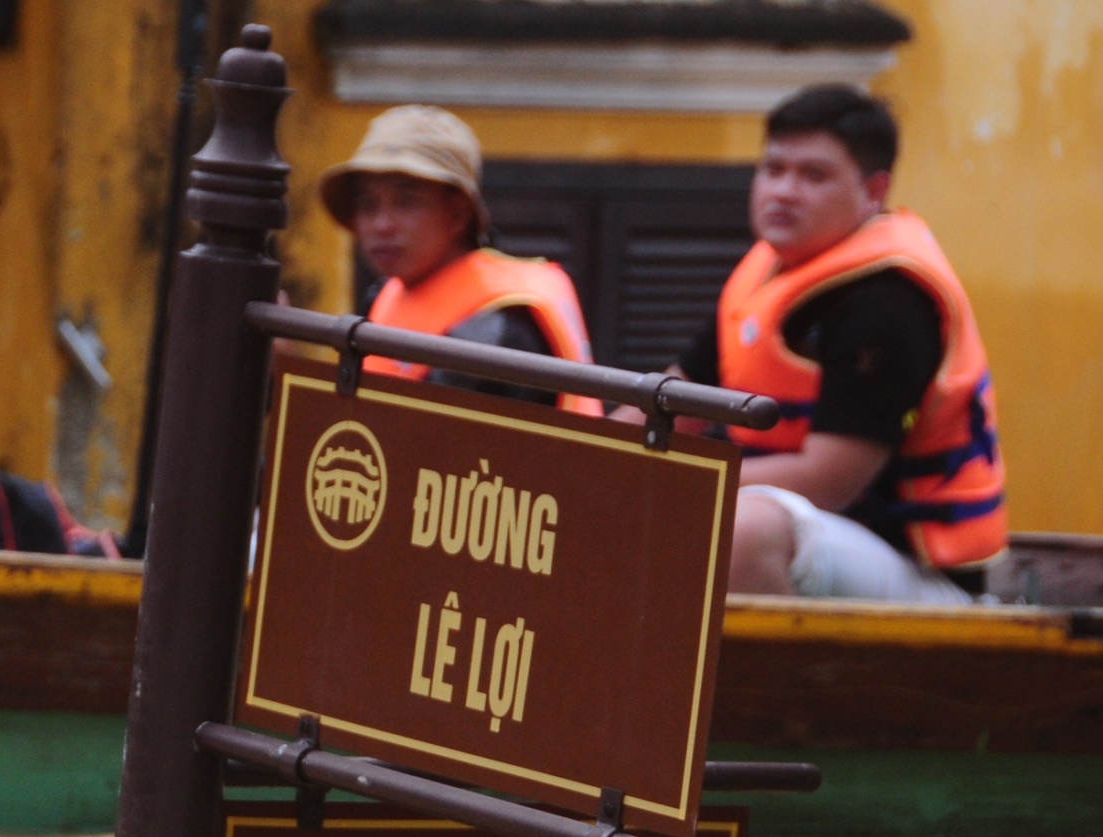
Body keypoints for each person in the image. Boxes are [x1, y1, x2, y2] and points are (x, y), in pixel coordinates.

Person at [656, 85, 1006, 602]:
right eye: (773, 169)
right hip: (820, 537)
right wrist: (589, 459)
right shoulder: (767, 273)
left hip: (917, 572)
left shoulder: (889, 300)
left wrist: (667, 484)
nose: (783, 191)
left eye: (813, 175)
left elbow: (829, 479)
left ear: (874, 190)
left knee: (742, 528)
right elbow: (671, 399)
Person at [319, 106, 597, 413]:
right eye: (367, 204)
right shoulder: (386, 293)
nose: (382, 224)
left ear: (458, 214)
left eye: (407, 201)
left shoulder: (496, 328)